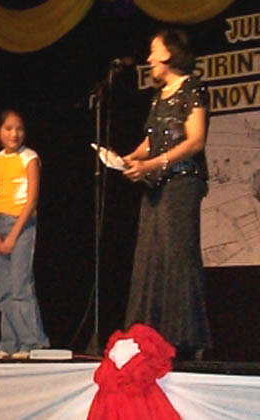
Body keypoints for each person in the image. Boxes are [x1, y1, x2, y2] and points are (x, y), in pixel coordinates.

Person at [122, 28, 211, 359]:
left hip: (183, 183)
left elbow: (195, 140)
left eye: (153, 50)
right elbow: (153, 141)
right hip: (156, 184)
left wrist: (153, 163)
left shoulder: (193, 88)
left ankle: (186, 338)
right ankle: (150, 336)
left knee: (178, 257)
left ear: (169, 53)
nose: (149, 58)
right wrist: (130, 158)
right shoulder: (159, 96)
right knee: (151, 257)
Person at [0, 109, 50, 360]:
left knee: (20, 286)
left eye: (19, 128)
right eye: (8, 128)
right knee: (4, 290)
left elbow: (32, 200)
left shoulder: (29, 157)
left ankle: (32, 342)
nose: (14, 133)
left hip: (21, 224)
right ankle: (9, 343)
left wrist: (12, 236)